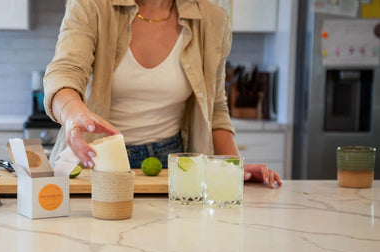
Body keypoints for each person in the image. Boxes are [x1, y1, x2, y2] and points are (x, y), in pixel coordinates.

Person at [43, 0, 282, 188]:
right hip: (95, 161)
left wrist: (234, 169)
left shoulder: (213, 20)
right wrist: (73, 113)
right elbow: (65, 70)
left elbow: (215, 107)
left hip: (174, 168)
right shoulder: (91, 5)